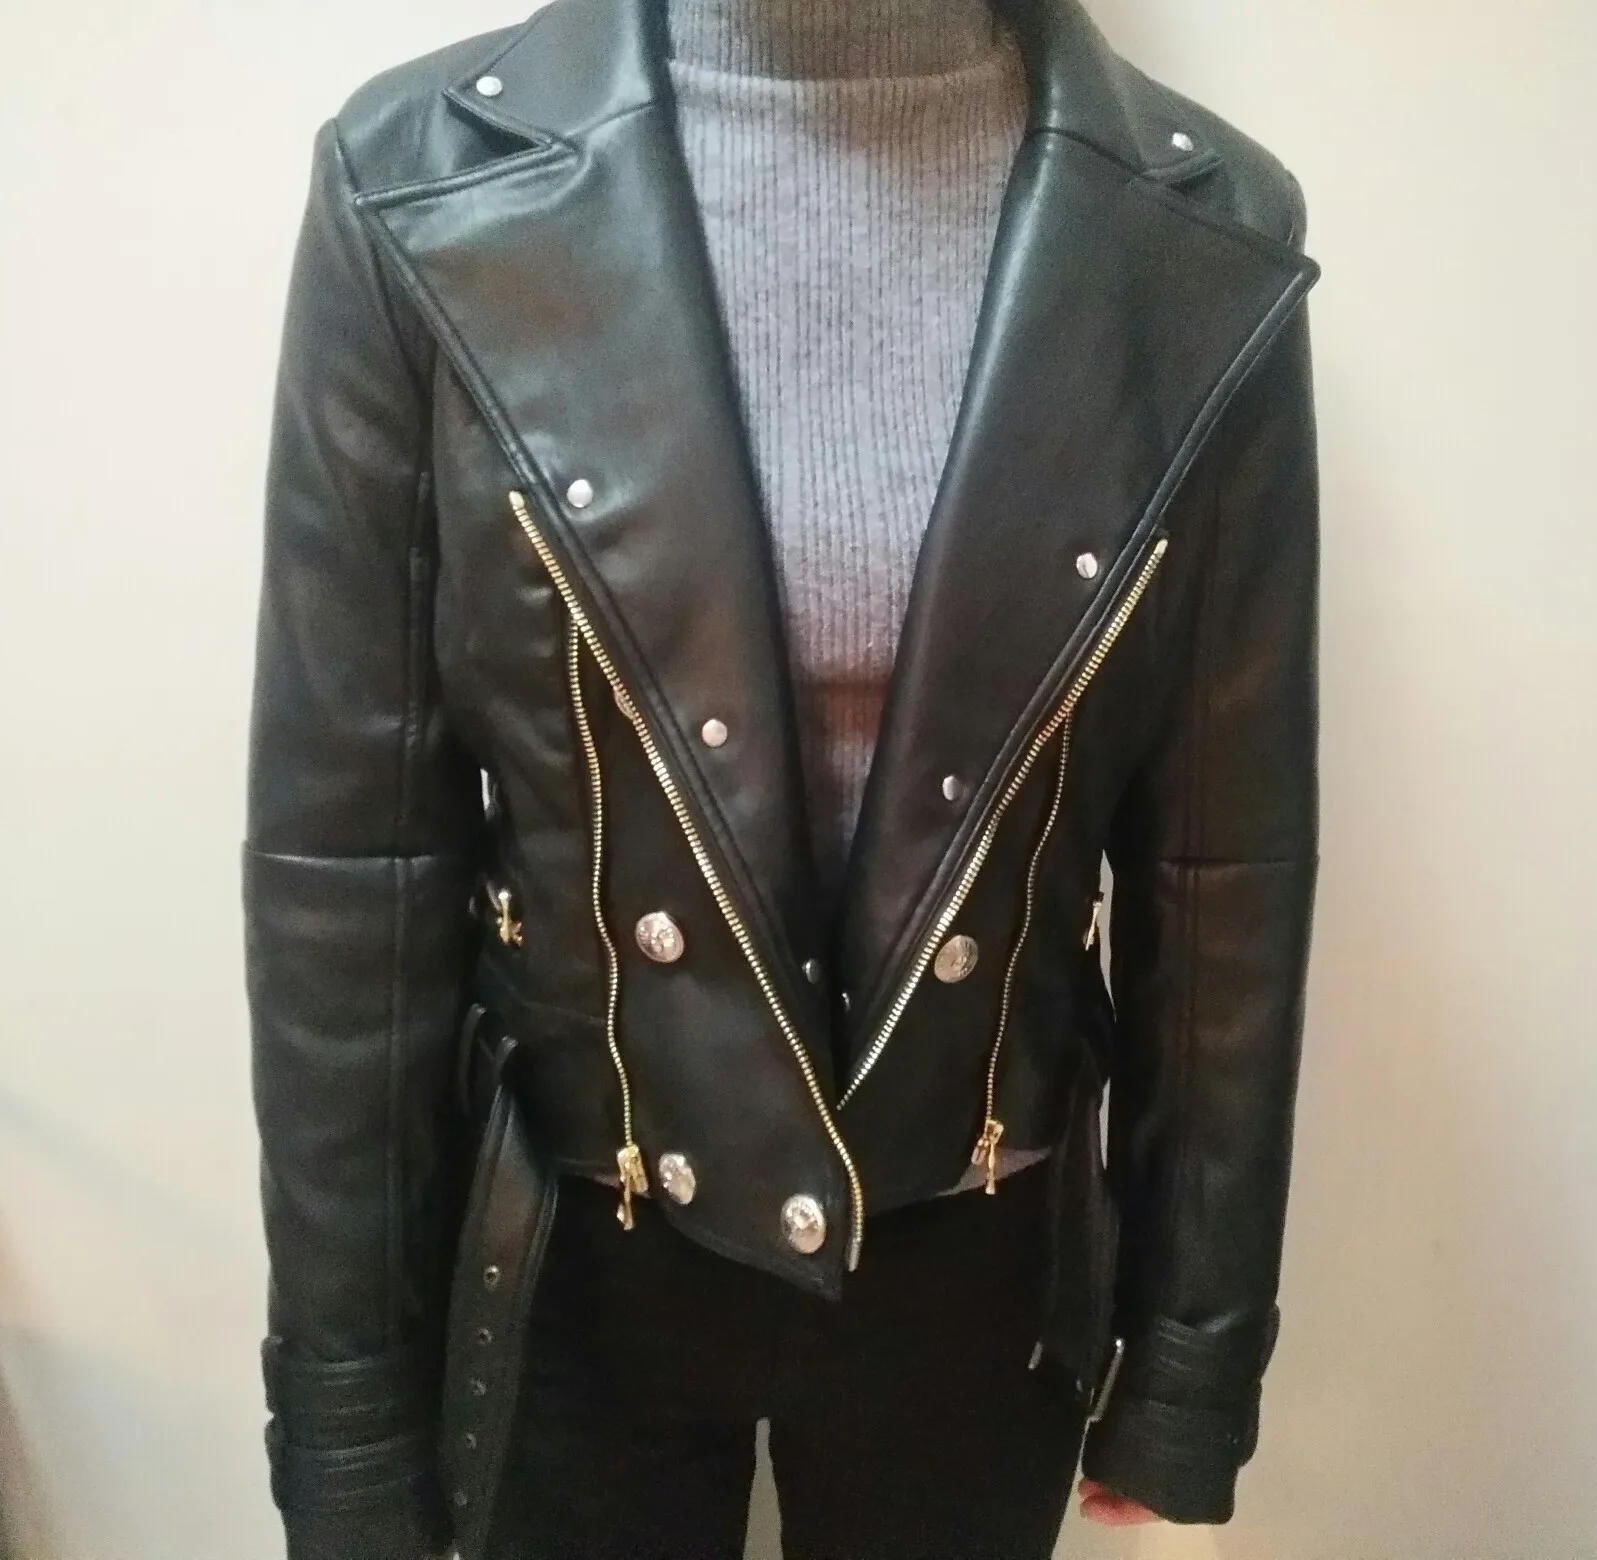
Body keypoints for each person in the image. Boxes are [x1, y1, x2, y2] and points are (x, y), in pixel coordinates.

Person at [241, 0, 1322, 1553]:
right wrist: (346, 1400)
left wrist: (1188, 1359)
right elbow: (351, 864)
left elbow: (1222, 864)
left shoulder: (1195, 229)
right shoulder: (419, 180)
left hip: (981, 1259)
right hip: (578, 1246)